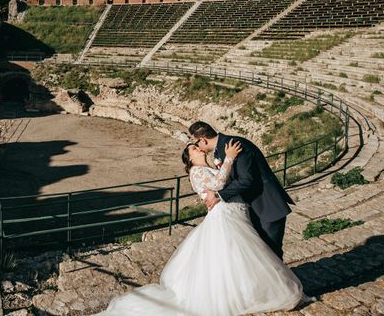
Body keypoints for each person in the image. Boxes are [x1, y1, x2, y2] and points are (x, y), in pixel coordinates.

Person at [100, 141, 304, 316]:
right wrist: (229, 159)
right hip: (225, 215)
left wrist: (221, 164)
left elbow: (222, 182)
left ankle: (244, 292)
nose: (198, 149)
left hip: (235, 212)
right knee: (236, 253)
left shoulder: (207, 167)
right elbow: (217, 183)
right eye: (193, 149)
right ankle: (241, 294)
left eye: (197, 146)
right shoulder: (196, 171)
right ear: (188, 159)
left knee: (235, 256)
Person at [191, 121, 294, 259]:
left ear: (202, 140)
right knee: (259, 253)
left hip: (266, 205)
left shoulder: (235, 145)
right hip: (250, 207)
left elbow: (246, 180)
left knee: (272, 252)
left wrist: (218, 195)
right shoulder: (221, 149)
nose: (198, 148)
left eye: (196, 144)